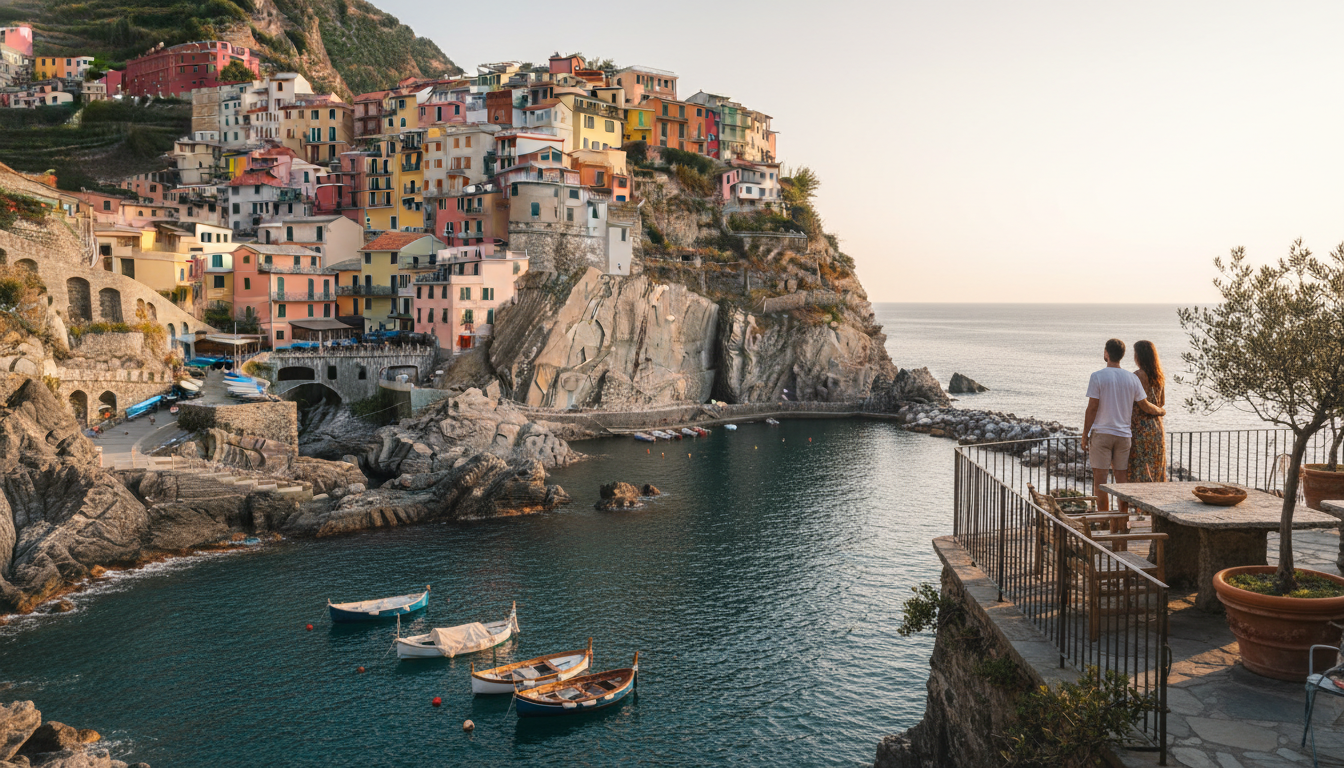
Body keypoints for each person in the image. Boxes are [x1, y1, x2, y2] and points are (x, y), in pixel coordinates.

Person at [1081, 339, 1166, 517]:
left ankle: (1104, 521)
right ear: (1123, 355)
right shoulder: (1132, 378)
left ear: (1106, 353)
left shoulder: (1097, 376)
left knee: (1100, 482)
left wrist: (1084, 435)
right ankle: (1123, 520)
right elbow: (1145, 404)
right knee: (1122, 482)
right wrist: (1161, 411)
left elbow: (1092, 408)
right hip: (1124, 436)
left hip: (1102, 435)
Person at [1129, 340, 1167, 484]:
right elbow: (1161, 402)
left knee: (1139, 467)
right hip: (1157, 426)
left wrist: (1160, 412)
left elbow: (1142, 404)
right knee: (1156, 467)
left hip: (1140, 427)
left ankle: (1140, 504)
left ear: (1139, 356)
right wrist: (1160, 411)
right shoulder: (1160, 376)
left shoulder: (1138, 375)